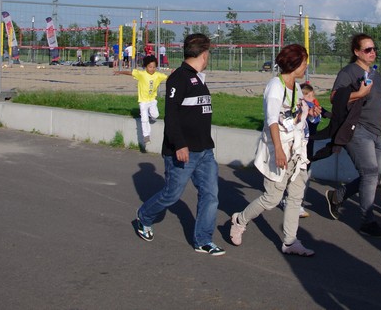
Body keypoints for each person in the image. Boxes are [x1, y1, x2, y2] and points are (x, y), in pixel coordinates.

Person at [132, 33, 225, 255]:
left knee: (211, 195)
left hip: (205, 150)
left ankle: (203, 240)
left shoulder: (199, 79)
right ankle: (144, 216)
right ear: (204, 54)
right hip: (182, 150)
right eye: (208, 52)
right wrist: (180, 144)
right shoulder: (178, 78)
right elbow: (171, 115)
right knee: (171, 195)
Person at [228, 44, 319, 256]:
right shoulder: (275, 86)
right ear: (294, 63)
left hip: (296, 150)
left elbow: (294, 114)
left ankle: (290, 241)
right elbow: (272, 121)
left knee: (295, 197)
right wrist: (278, 150)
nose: (306, 66)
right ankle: (240, 220)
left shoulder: (296, 87)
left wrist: (309, 111)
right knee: (272, 199)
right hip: (279, 149)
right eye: (304, 62)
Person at [325, 33, 381, 238]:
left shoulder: (375, 74)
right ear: (356, 52)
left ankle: (337, 196)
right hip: (357, 129)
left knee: (373, 176)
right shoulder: (349, 72)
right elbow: (334, 97)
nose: (372, 52)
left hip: (375, 131)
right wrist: (359, 94)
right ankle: (367, 222)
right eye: (367, 49)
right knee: (370, 173)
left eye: (374, 49)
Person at [127, 55, 168, 145]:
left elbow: (168, 77)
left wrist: (174, 74)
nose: (152, 69)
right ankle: (146, 136)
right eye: (150, 67)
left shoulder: (158, 75)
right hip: (143, 101)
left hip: (152, 100)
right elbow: (131, 73)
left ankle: (150, 115)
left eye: (154, 67)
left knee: (155, 115)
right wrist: (119, 72)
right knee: (144, 119)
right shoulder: (141, 74)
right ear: (146, 67)